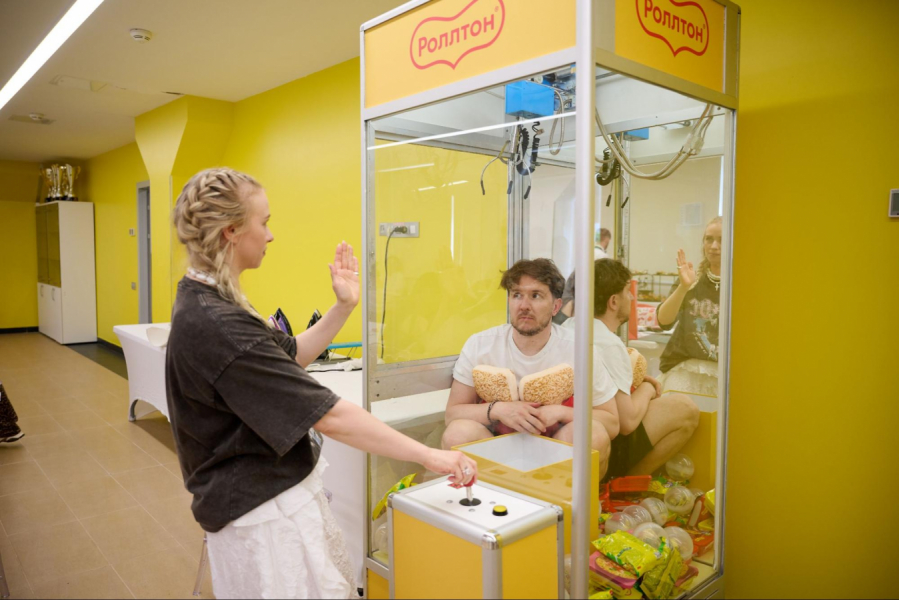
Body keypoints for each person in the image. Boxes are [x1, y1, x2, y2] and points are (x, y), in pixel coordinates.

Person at [165, 167, 477, 600]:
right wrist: (430, 455)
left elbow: (289, 354)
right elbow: (330, 417)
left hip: (261, 496)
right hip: (261, 514)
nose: (270, 235)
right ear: (231, 231)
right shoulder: (219, 323)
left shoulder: (208, 299)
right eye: (264, 222)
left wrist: (342, 306)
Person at [442, 258, 620, 477]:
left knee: (593, 435)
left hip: (557, 448)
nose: (524, 305)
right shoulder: (480, 345)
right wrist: (499, 410)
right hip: (497, 447)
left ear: (556, 306)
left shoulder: (580, 350)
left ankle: (562, 498)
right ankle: (490, 496)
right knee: (457, 434)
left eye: (536, 295)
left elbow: (611, 422)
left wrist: (561, 412)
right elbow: (452, 414)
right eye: (517, 295)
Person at [565, 259, 699, 479]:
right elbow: (627, 422)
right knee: (685, 408)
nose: (633, 298)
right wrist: (648, 387)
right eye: (628, 292)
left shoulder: (566, 328)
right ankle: (629, 484)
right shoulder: (609, 344)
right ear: (613, 301)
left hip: (571, 436)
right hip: (603, 444)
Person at [656, 217, 723, 397]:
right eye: (709, 239)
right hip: (684, 369)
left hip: (724, 373)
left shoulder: (743, 283)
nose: (714, 246)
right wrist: (683, 288)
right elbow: (664, 321)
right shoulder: (691, 278)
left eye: (721, 240)